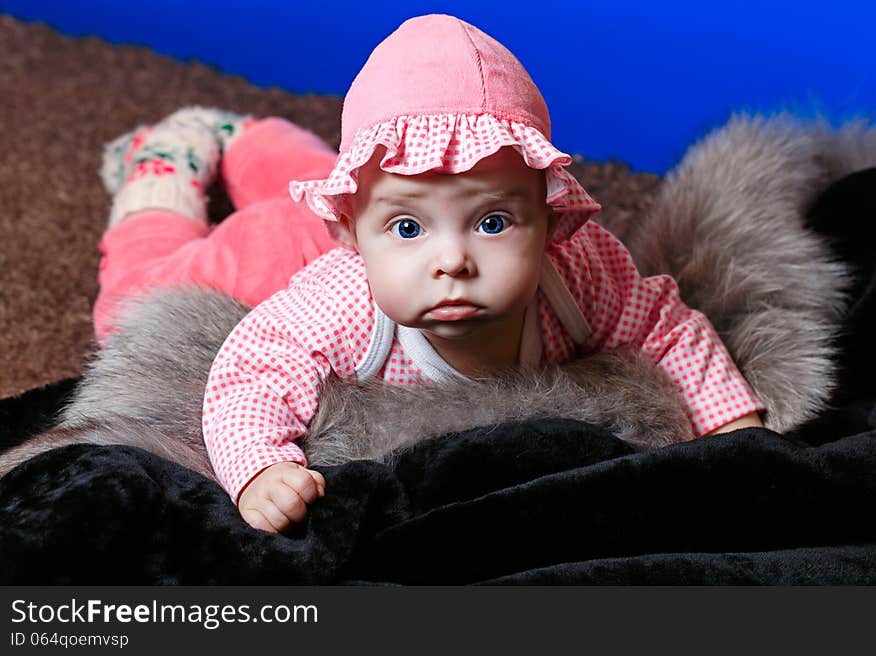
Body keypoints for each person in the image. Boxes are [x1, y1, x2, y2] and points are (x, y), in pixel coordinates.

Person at [96, 14, 764, 534]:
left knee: (401, 187)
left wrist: (734, 429)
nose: (452, 261)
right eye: (412, 230)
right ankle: (164, 163)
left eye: (494, 222)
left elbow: (667, 328)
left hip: (365, 213)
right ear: (351, 231)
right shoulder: (339, 308)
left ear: (549, 215)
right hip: (276, 256)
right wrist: (259, 468)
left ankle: (250, 136)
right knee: (134, 299)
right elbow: (251, 371)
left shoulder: (580, 273)